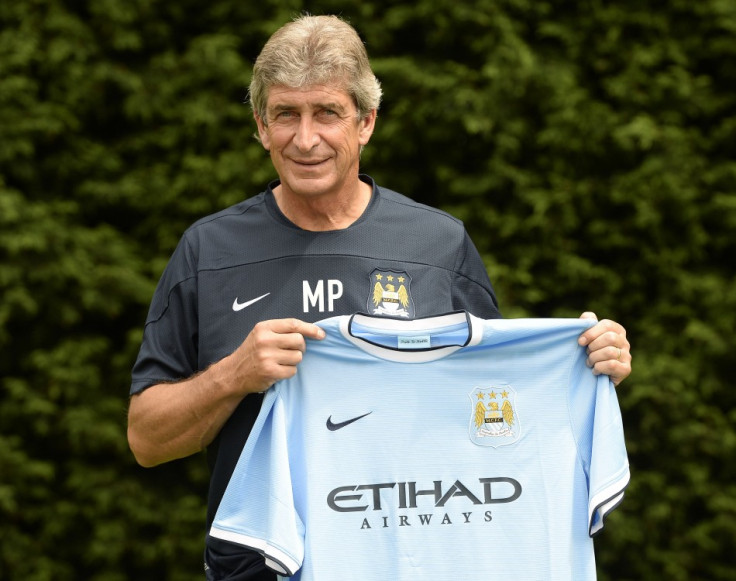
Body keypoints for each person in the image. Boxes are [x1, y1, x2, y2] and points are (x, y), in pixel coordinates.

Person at [127, 14, 632, 580]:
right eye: (285, 115)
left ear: (366, 122)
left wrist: (584, 362)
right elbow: (146, 439)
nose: (305, 138)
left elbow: (497, 408)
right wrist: (235, 374)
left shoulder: (436, 243)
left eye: (328, 113)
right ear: (260, 126)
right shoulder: (209, 250)